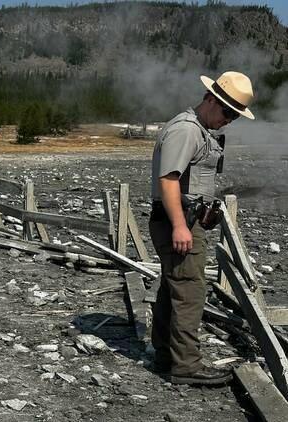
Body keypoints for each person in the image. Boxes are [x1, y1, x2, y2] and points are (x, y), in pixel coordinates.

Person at [149, 71, 254, 386]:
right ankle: (186, 367)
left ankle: (167, 356)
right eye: (227, 112)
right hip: (178, 221)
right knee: (190, 290)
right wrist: (181, 226)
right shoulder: (187, 130)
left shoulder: (198, 129)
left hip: (183, 218)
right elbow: (168, 180)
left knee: (174, 288)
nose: (229, 120)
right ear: (211, 99)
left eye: (235, 115)